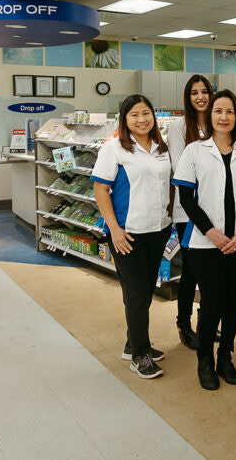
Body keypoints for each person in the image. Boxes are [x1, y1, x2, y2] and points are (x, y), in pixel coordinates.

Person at [172, 90, 236, 390]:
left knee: (234, 301)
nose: (224, 117)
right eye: (218, 111)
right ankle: (205, 360)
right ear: (209, 116)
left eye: (230, 111)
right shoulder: (195, 151)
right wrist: (211, 232)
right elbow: (186, 198)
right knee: (212, 301)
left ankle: (225, 357)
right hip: (205, 243)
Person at [91, 94, 173, 380]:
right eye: (134, 114)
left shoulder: (162, 147)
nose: (142, 119)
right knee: (137, 293)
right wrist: (114, 229)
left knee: (145, 290)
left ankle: (134, 343)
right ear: (124, 119)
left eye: (146, 113)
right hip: (128, 233)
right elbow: (100, 189)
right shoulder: (113, 148)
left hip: (158, 229)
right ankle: (140, 355)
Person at [166, 74, 211, 351]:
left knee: (210, 272)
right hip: (189, 211)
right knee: (192, 271)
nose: (200, 97)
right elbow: (179, 166)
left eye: (204, 91)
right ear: (188, 97)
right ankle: (184, 324)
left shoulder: (218, 121)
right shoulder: (179, 126)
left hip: (216, 210)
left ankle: (206, 323)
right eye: (194, 93)